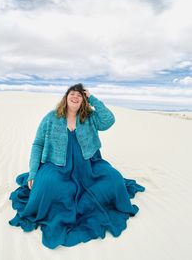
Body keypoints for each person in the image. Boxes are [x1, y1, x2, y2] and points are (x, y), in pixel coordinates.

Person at [8, 83, 145, 249]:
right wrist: (33, 173)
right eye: (72, 93)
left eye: (79, 95)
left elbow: (109, 120)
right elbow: (38, 144)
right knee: (47, 186)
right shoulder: (51, 117)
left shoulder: (89, 116)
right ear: (66, 97)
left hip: (89, 165)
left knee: (114, 178)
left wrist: (92, 98)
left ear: (83, 99)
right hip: (57, 166)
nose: (75, 97)